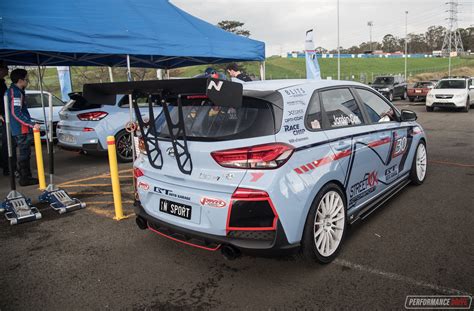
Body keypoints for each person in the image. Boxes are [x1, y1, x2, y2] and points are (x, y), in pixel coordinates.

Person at [7, 69, 40, 186]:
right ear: (20, 80)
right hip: (21, 129)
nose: (28, 81)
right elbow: (16, 112)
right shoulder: (15, 92)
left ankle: (26, 177)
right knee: (24, 153)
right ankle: (25, 178)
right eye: (26, 79)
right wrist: (30, 124)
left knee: (25, 153)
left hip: (21, 127)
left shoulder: (16, 91)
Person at [0, 61, 10, 176]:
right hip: (3, 116)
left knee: (6, 143)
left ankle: (5, 165)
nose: (7, 70)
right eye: (5, 68)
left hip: (5, 115)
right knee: (6, 142)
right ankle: (6, 167)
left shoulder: (2, 83)